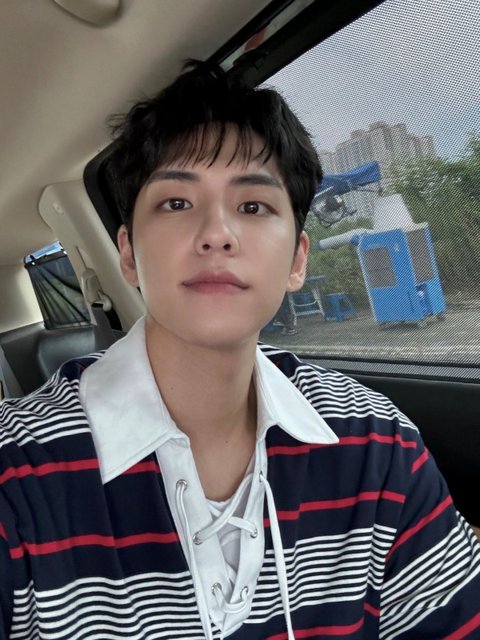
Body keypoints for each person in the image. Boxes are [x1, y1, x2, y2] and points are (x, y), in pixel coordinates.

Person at [0, 62, 479, 640]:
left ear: (297, 259)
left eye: (253, 207)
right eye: (176, 203)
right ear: (128, 255)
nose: (216, 233)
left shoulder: (379, 446)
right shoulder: (16, 470)